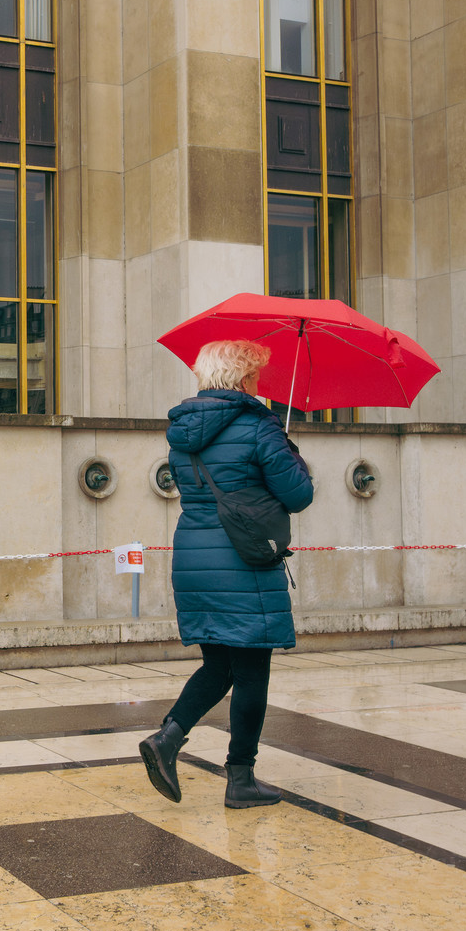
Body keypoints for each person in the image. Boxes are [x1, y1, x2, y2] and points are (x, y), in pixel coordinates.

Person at [138, 338, 314, 808]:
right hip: (244, 560)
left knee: (219, 663)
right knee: (253, 665)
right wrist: (289, 450)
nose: (260, 383)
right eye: (256, 374)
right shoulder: (259, 427)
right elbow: (298, 495)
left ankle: (168, 738)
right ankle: (241, 778)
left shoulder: (182, 431)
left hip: (195, 557)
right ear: (241, 378)